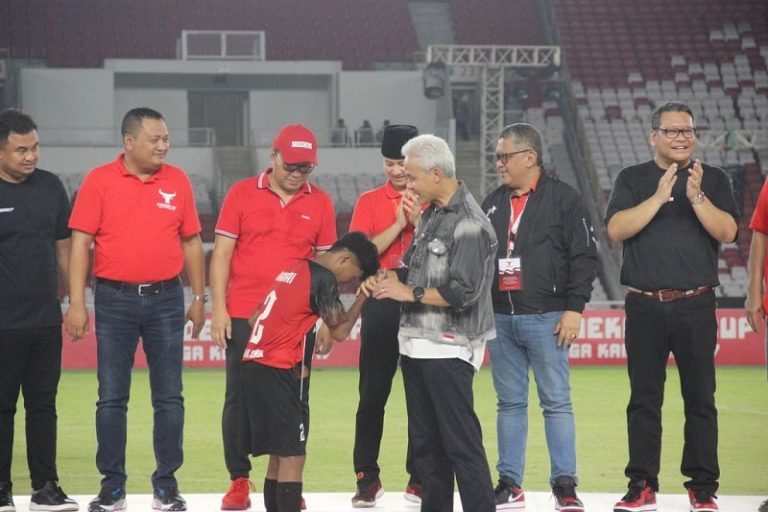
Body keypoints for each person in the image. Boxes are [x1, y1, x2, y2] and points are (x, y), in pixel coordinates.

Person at [65, 107, 206, 512]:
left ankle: (166, 486)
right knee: (111, 398)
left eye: (166, 139)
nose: (164, 146)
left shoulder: (178, 180)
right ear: (129, 142)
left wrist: (199, 299)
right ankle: (112, 487)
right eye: (155, 139)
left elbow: (192, 242)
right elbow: (80, 243)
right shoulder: (99, 181)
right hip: (113, 300)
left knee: (169, 398)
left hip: (167, 299)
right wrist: (78, 303)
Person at [606, 101, 739, 512]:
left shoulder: (712, 178)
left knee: (701, 397)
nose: (682, 137)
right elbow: (615, 230)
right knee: (644, 398)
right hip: (644, 305)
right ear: (653, 137)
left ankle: (702, 487)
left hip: (696, 303)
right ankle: (642, 484)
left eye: (687, 131)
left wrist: (696, 197)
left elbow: (730, 231)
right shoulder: (632, 178)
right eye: (672, 131)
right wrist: (660, 195)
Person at [367, 134, 497, 512]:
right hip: (416, 345)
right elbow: (415, 270)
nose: (406, 184)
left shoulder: (470, 223)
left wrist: (407, 293)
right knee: (427, 449)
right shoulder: (432, 215)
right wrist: (388, 278)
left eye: (411, 177)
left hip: (450, 347)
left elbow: (464, 292)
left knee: (461, 444)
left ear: (436, 173)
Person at [211, 124, 337, 511]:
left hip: (298, 322)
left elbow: (327, 267)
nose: (298, 174)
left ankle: (288, 480)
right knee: (239, 398)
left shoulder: (321, 203)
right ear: (273, 156)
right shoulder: (241, 193)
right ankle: (238, 479)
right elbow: (222, 255)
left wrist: (328, 319)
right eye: (292, 165)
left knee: (296, 401)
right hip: (245, 314)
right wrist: (218, 309)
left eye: (307, 168)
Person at [481, 123, 597, 512]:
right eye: (497, 156)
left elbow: (583, 257)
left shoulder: (565, 199)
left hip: (548, 317)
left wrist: (574, 308)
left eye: (505, 156)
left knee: (556, 403)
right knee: (509, 404)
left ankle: (564, 483)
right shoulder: (492, 202)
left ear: (530, 157)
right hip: (501, 318)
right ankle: (510, 483)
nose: (499, 163)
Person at [239, 232, 380, 512]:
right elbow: (340, 330)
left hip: (254, 366)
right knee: (293, 455)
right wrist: (363, 295)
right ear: (345, 259)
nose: (349, 281)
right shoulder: (323, 278)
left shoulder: (293, 268)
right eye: (355, 275)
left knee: (279, 455)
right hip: (280, 372)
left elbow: (254, 318)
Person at [0, 109, 78, 512]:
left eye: (35, 147)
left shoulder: (51, 187)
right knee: (1, 408)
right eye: (21, 150)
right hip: (2, 325)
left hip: (45, 320)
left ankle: (45, 488)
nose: (31, 156)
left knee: (43, 407)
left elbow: (65, 247)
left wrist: (76, 301)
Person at [348, 124, 421, 507]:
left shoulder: (434, 198)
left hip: (423, 301)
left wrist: (419, 217)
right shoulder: (369, 201)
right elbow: (359, 259)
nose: (395, 171)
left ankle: (419, 477)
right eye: (390, 163)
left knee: (421, 396)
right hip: (380, 301)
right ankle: (367, 478)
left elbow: (442, 252)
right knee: (372, 395)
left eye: (402, 163)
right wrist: (398, 222)